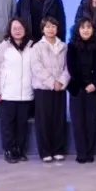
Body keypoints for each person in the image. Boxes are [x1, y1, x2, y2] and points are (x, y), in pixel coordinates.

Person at [0, 19, 35, 164]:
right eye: (14, 28)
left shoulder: (32, 46)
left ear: (25, 29)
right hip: (7, 94)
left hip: (26, 94)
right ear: (9, 30)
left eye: (20, 27)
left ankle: (20, 150)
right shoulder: (3, 47)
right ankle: (9, 150)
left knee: (22, 125)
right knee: (7, 126)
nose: (17, 31)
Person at [31, 16, 69, 162]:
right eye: (47, 26)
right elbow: (37, 68)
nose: (51, 29)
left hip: (60, 88)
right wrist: (52, 83)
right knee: (43, 121)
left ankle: (58, 150)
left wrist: (61, 81)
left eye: (53, 26)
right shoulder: (37, 47)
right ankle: (45, 151)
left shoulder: (63, 46)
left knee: (59, 120)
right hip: (43, 89)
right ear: (43, 29)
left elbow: (68, 67)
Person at [67, 18, 96, 163]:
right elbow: (71, 69)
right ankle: (81, 153)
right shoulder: (71, 46)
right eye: (82, 27)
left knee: (91, 122)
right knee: (78, 123)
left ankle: (89, 153)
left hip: (93, 89)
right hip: (77, 89)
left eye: (89, 27)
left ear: (93, 29)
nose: (86, 30)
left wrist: (94, 84)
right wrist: (83, 85)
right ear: (78, 30)